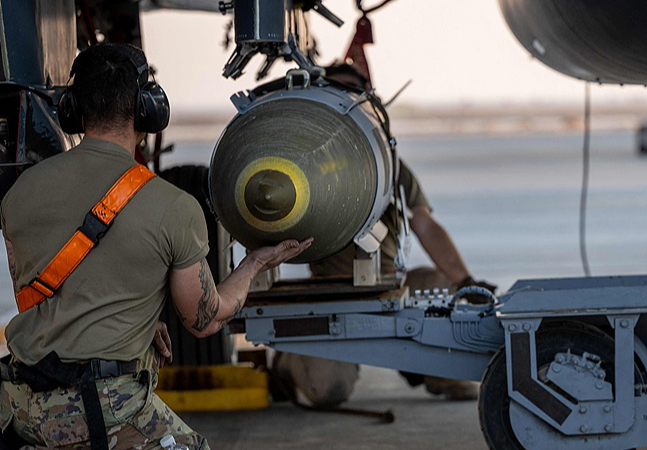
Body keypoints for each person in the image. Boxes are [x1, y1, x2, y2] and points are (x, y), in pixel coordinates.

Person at [0, 43, 312, 449]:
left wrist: (141, 321)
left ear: (72, 109)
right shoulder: (173, 207)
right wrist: (252, 264)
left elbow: (47, 296)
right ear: (148, 109)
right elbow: (205, 320)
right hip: (107, 411)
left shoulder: (18, 194)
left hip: (20, 406)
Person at [272, 63, 496, 405]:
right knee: (328, 392)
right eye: (338, 93)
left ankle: (432, 371)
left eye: (354, 95)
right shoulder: (305, 166)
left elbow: (424, 225)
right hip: (332, 298)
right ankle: (287, 364)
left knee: (443, 288)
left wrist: (467, 281)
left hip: (390, 286)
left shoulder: (388, 165)